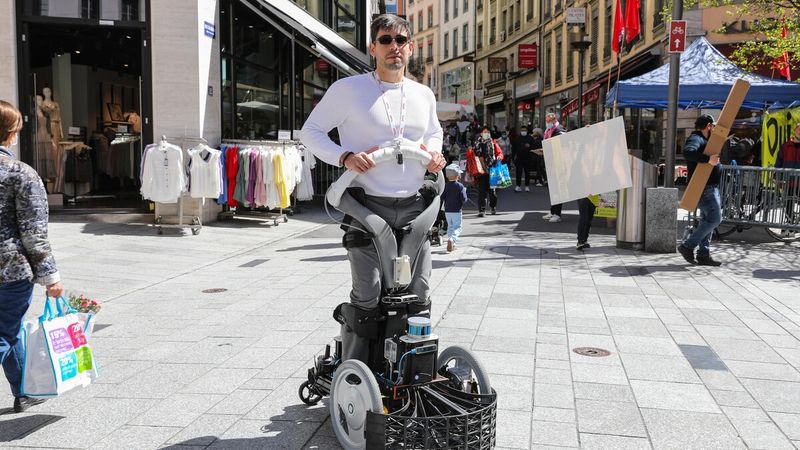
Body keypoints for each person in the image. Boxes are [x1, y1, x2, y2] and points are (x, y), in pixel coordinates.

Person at [299, 14, 445, 363]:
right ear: (373, 47)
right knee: (369, 296)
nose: (394, 47)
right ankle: (352, 375)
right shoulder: (349, 90)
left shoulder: (423, 94)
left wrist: (435, 154)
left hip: (414, 208)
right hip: (366, 207)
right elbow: (311, 132)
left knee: (419, 293)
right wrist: (344, 156)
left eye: (401, 40)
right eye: (386, 40)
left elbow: (434, 133)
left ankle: (408, 371)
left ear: (411, 46)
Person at [0, 100, 64, 412]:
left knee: (8, 331)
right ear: (10, 134)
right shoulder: (20, 174)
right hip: (10, 271)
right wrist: (50, 276)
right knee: (4, 330)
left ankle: (24, 390)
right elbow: (33, 232)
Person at [678, 114, 723, 266]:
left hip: (710, 187)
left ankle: (703, 254)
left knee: (707, 221)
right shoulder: (696, 138)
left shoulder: (705, 140)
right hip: (705, 188)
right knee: (715, 219)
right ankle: (688, 246)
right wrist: (708, 160)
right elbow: (688, 152)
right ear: (708, 126)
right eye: (713, 126)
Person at [472, 125, 504, 217]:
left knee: (492, 191)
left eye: (488, 132)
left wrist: (499, 157)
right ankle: (481, 210)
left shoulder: (493, 143)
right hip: (481, 170)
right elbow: (475, 155)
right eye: (484, 132)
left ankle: (493, 207)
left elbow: (500, 153)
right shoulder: (477, 143)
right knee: (482, 191)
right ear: (481, 133)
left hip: (492, 169)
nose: (486, 134)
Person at [775, 122, 800, 235]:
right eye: (798, 129)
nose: (799, 131)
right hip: (788, 180)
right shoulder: (786, 145)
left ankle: (794, 226)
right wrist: (777, 175)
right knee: (788, 203)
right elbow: (779, 161)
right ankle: (787, 226)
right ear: (794, 131)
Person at [542, 112, 565, 222]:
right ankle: (552, 211)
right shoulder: (549, 130)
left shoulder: (559, 129)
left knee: (558, 188)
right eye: (546, 121)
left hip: (558, 162)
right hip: (551, 161)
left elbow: (560, 144)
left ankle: (557, 214)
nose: (547, 123)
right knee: (553, 189)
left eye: (548, 121)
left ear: (553, 120)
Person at [441, 163, 467, 253]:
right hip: (457, 210)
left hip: (447, 210)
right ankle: (452, 239)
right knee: (458, 227)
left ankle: (452, 243)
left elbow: (442, 197)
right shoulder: (460, 186)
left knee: (450, 226)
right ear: (457, 175)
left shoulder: (445, 186)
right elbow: (464, 199)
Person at [513, 125, 536, 192]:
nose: (523, 132)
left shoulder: (530, 138)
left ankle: (527, 186)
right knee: (518, 172)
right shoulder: (517, 138)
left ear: (527, 131)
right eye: (522, 130)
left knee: (527, 172)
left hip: (528, 157)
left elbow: (534, 147)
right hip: (519, 158)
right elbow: (514, 148)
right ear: (520, 131)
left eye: (525, 130)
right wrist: (513, 157)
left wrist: (530, 146)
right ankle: (518, 185)